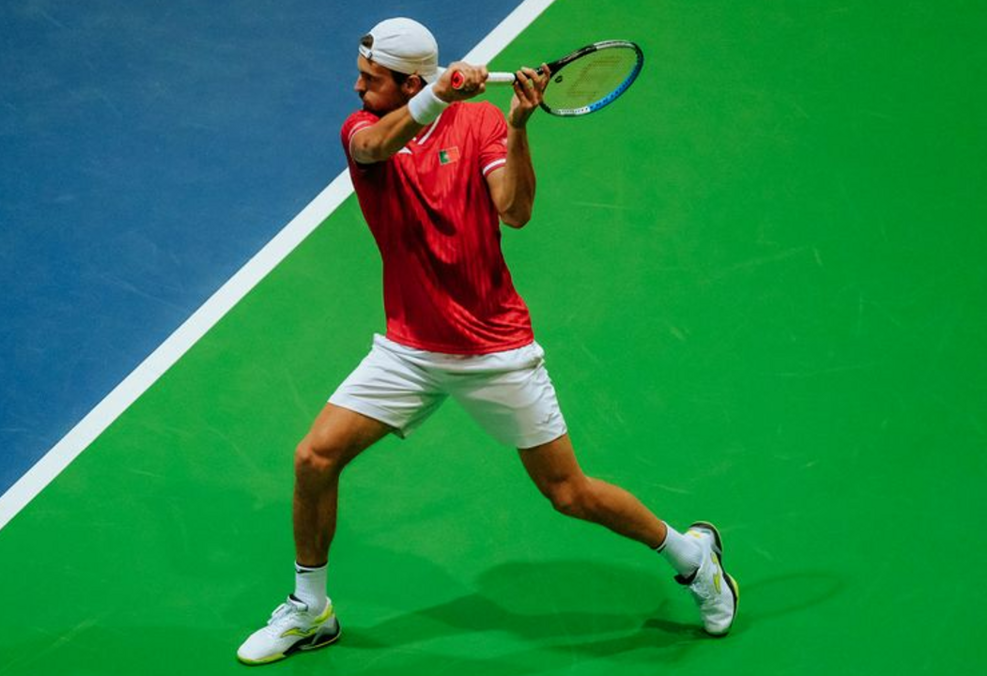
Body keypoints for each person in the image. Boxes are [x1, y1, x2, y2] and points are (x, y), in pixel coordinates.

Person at [236, 17, 738, 666]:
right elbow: (375, 147)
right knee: (314, 459)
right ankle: (311, 611)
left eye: (371, 78)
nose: (357, 88)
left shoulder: (479, 124)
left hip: (494, 351)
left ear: (409, 81)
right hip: (410, 351)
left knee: (569, 493)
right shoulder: (363, 129)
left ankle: (693, 558)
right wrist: (438, 95)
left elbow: (516, 211)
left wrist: (520, 125)